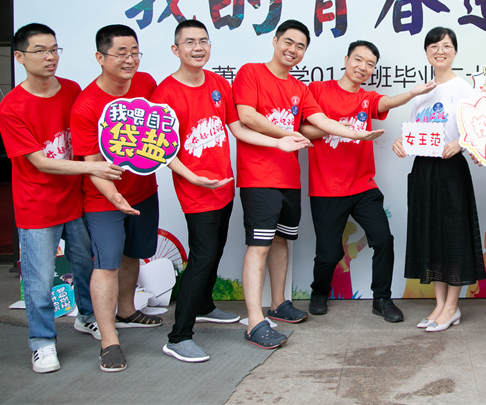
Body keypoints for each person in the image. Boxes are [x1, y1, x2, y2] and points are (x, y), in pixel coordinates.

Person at [152, 20, 310, 362]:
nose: (198, 48)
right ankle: (178, 337)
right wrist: (191, 177)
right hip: (196, 190)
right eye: (190, 42)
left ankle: (204, 306)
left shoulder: (218, 84)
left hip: (222, 185)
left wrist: (278, 142)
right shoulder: (165, 93)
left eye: (203, 41)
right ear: (175, 49)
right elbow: (159, 148)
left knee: (214, 252)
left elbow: (237, 127)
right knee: (203, 257)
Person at [233, 19, 384, 349]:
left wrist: (355, 133)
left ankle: (278, 303)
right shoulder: (251, 72)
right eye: (288, 42)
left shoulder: (300, 89)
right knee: (258, 245)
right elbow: (247, 116)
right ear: (275, 41)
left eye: (300, 46)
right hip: (258, 176)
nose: (293, 50)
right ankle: (255, 320)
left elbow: (322, 122)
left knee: (280, 242)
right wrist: (286, 135)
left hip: (290, 177)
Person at [0, 23, 124, 373]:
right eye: (40, 51)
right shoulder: (11, 107)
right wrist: (94, 168)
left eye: (54, 49)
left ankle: (87, 316)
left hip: (77, 201)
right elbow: (40, 162)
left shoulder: (72, 90)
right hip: (37, 207)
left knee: (86, 265)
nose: (50, 57)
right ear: (20, 57)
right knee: (39, 280)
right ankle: (42, 342)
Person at [300, 40, 435, 322]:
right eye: (358, 59)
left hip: (363, 186)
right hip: (326, 187)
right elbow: (303, 129)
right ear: (346, 59)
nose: (363, 67)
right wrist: (338, 129)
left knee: (384, 239)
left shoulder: (367, 98)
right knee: (328, 253)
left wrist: (412, 93)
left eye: (370, 64)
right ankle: (319, 292)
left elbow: (386, 103)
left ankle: (382, 299)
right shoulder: (318, 90)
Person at [70, 24, 161, 373]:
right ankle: (109, 341)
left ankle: (127, 310)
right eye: (121, 53)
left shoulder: (146, 83)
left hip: (144, 191)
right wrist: (115, 196)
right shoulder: (86, 105)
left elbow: (161, 132)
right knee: (106, 264)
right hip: (103, 199)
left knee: (133, 253)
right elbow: (92, 164)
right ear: (100, 57)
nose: (130, 60)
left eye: (135, 52)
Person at [392, 27, 486, 332]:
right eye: (433, 46)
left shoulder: (465, 90)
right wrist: (401, 142)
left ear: (455, 52)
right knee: (431, 235)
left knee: (453, 236)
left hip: (450, 170)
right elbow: (415, 130)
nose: (440, 51)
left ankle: (452, 306)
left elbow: (480, 130)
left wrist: (461, 143)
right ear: (426, 52)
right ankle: (439, 304)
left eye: (446, 46)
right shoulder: (423, 91)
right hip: (423, 170)